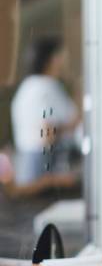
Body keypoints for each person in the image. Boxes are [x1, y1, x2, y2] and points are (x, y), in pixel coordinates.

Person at [10, 37, 80, 186]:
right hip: (45, 167)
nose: (65, 62)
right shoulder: (43, 89)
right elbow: (46, 133)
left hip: (34, 163)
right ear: (52, 59)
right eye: (62, 56)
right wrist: (71, 125)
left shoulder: (30, 86)